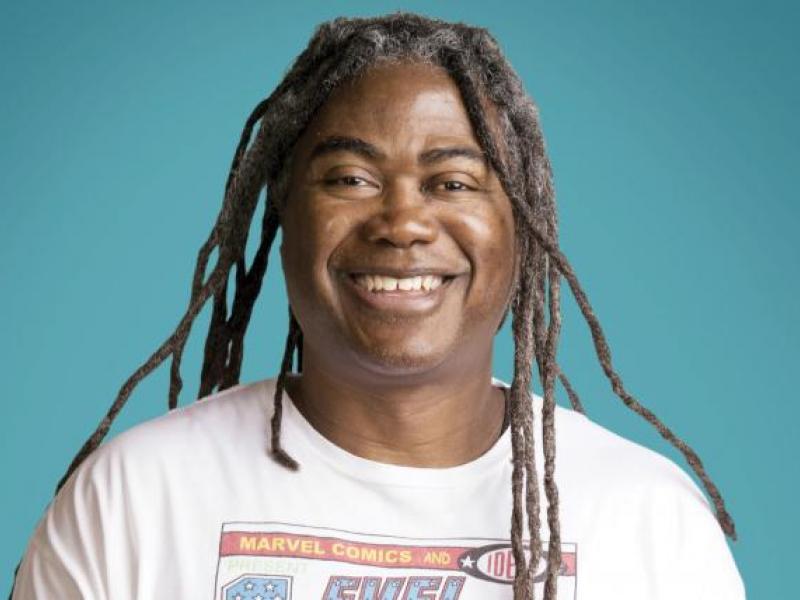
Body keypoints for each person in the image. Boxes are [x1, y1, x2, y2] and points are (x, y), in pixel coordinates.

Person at [9, 12, 745, 600]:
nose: (402, 222)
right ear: (284, 210)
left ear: (523, 224)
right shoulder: (132, 501)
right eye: (351, 179)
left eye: (453, 183)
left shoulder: (647, 518)